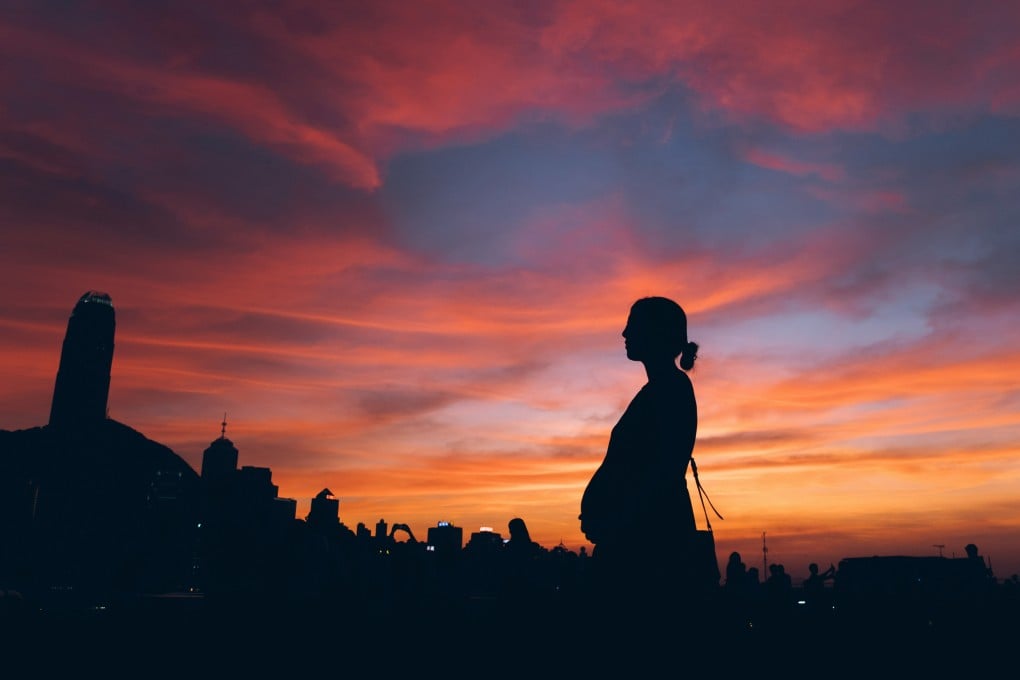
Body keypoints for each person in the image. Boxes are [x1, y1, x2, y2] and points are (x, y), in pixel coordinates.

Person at [578, 296, 703, 614]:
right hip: (638, 537)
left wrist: (615, 519)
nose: (623, 333)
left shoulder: (670, 390)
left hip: (649, 545)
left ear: (656, 333)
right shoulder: (661, 389)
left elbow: (661, 472)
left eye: (632, 325)